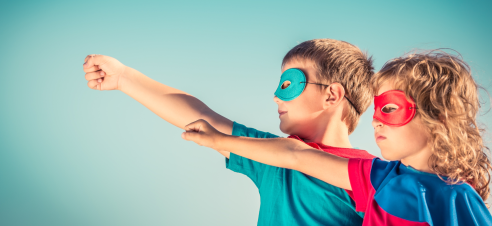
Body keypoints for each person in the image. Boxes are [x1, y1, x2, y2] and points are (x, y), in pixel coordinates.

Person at [82, 39, 376, 225]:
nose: (275, 96)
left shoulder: (372, 176)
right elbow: (199, 115)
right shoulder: (272, 159)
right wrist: (124, 78)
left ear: (332, 95)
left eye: (288, 85)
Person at [182, 50, 492, 225]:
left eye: (390, 108)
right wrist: (216, 140)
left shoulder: (459, 199)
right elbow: (295, 154)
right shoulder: (376, 177)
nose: (376, 122)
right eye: (375, 109)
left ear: (438, 116)